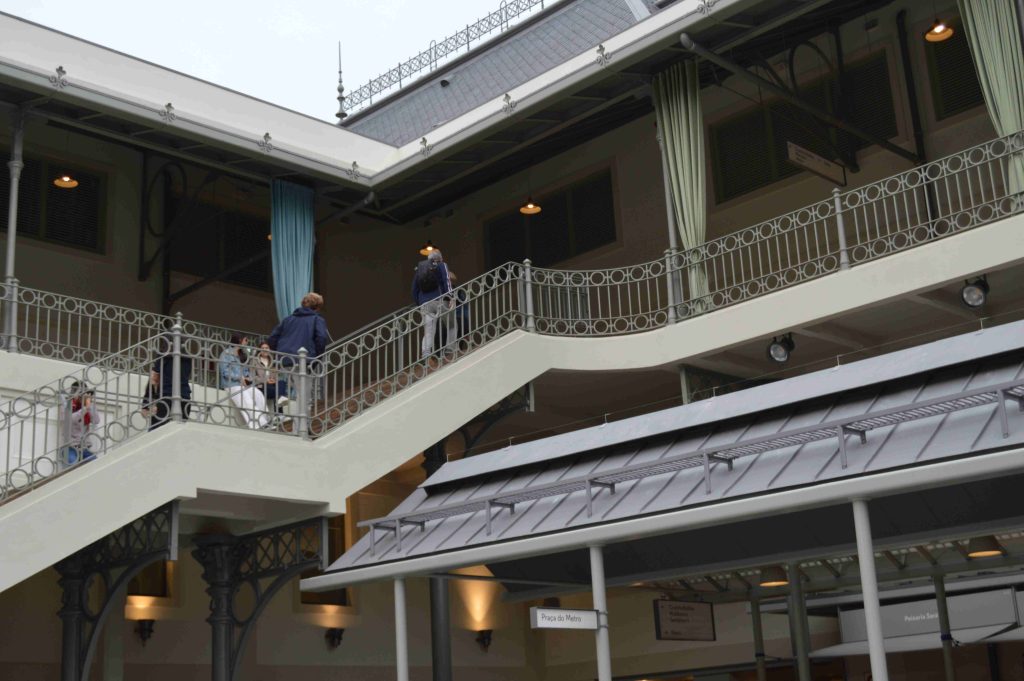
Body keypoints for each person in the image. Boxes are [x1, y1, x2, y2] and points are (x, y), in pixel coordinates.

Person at [218, 335, 270, 430]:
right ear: (239, 340)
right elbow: (225, 372)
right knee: (246, 399)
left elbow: (246, 371)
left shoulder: (242, 355)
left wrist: (247, 378)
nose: (247, 342)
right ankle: (261, 424)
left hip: (243, 385)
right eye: (246, 340)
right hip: (231, 384)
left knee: (258, 394)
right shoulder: (225, 354)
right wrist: (239, 378)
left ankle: (266, 420)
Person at [412, 249, 456, 359]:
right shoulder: (441, 265)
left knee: (429, 330)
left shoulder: (420, 269)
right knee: (451, 324)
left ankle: (426, 353)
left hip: (425, 304)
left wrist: (420, 304)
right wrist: (451, 296)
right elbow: (447, 280)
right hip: (440, 300)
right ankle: (450, 349)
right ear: (440, 258)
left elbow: (414, 289)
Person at [66, 381, 101, 464]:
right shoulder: (67, 405)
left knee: (95, 464)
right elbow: (72, 419)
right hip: (70, 447)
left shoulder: (88, 406)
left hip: (85, 447)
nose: (84, 396)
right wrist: (86, 407)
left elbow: (96, 420)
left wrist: (89, 404)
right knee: (72, 466)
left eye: (86, 393)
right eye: (81, 393)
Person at [252, 340, 289, 417]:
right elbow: (252, 377)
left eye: (267, 348)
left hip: (272, 385)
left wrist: (274, 380)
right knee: (279, 392)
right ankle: (279, 413)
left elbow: (276, 375)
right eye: (263, 348)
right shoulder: (254, 361)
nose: (265, 349)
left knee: (281, 382)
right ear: (259, 350)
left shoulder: (273, 361)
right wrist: (266, 380)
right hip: (261, 386)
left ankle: (280, 400)